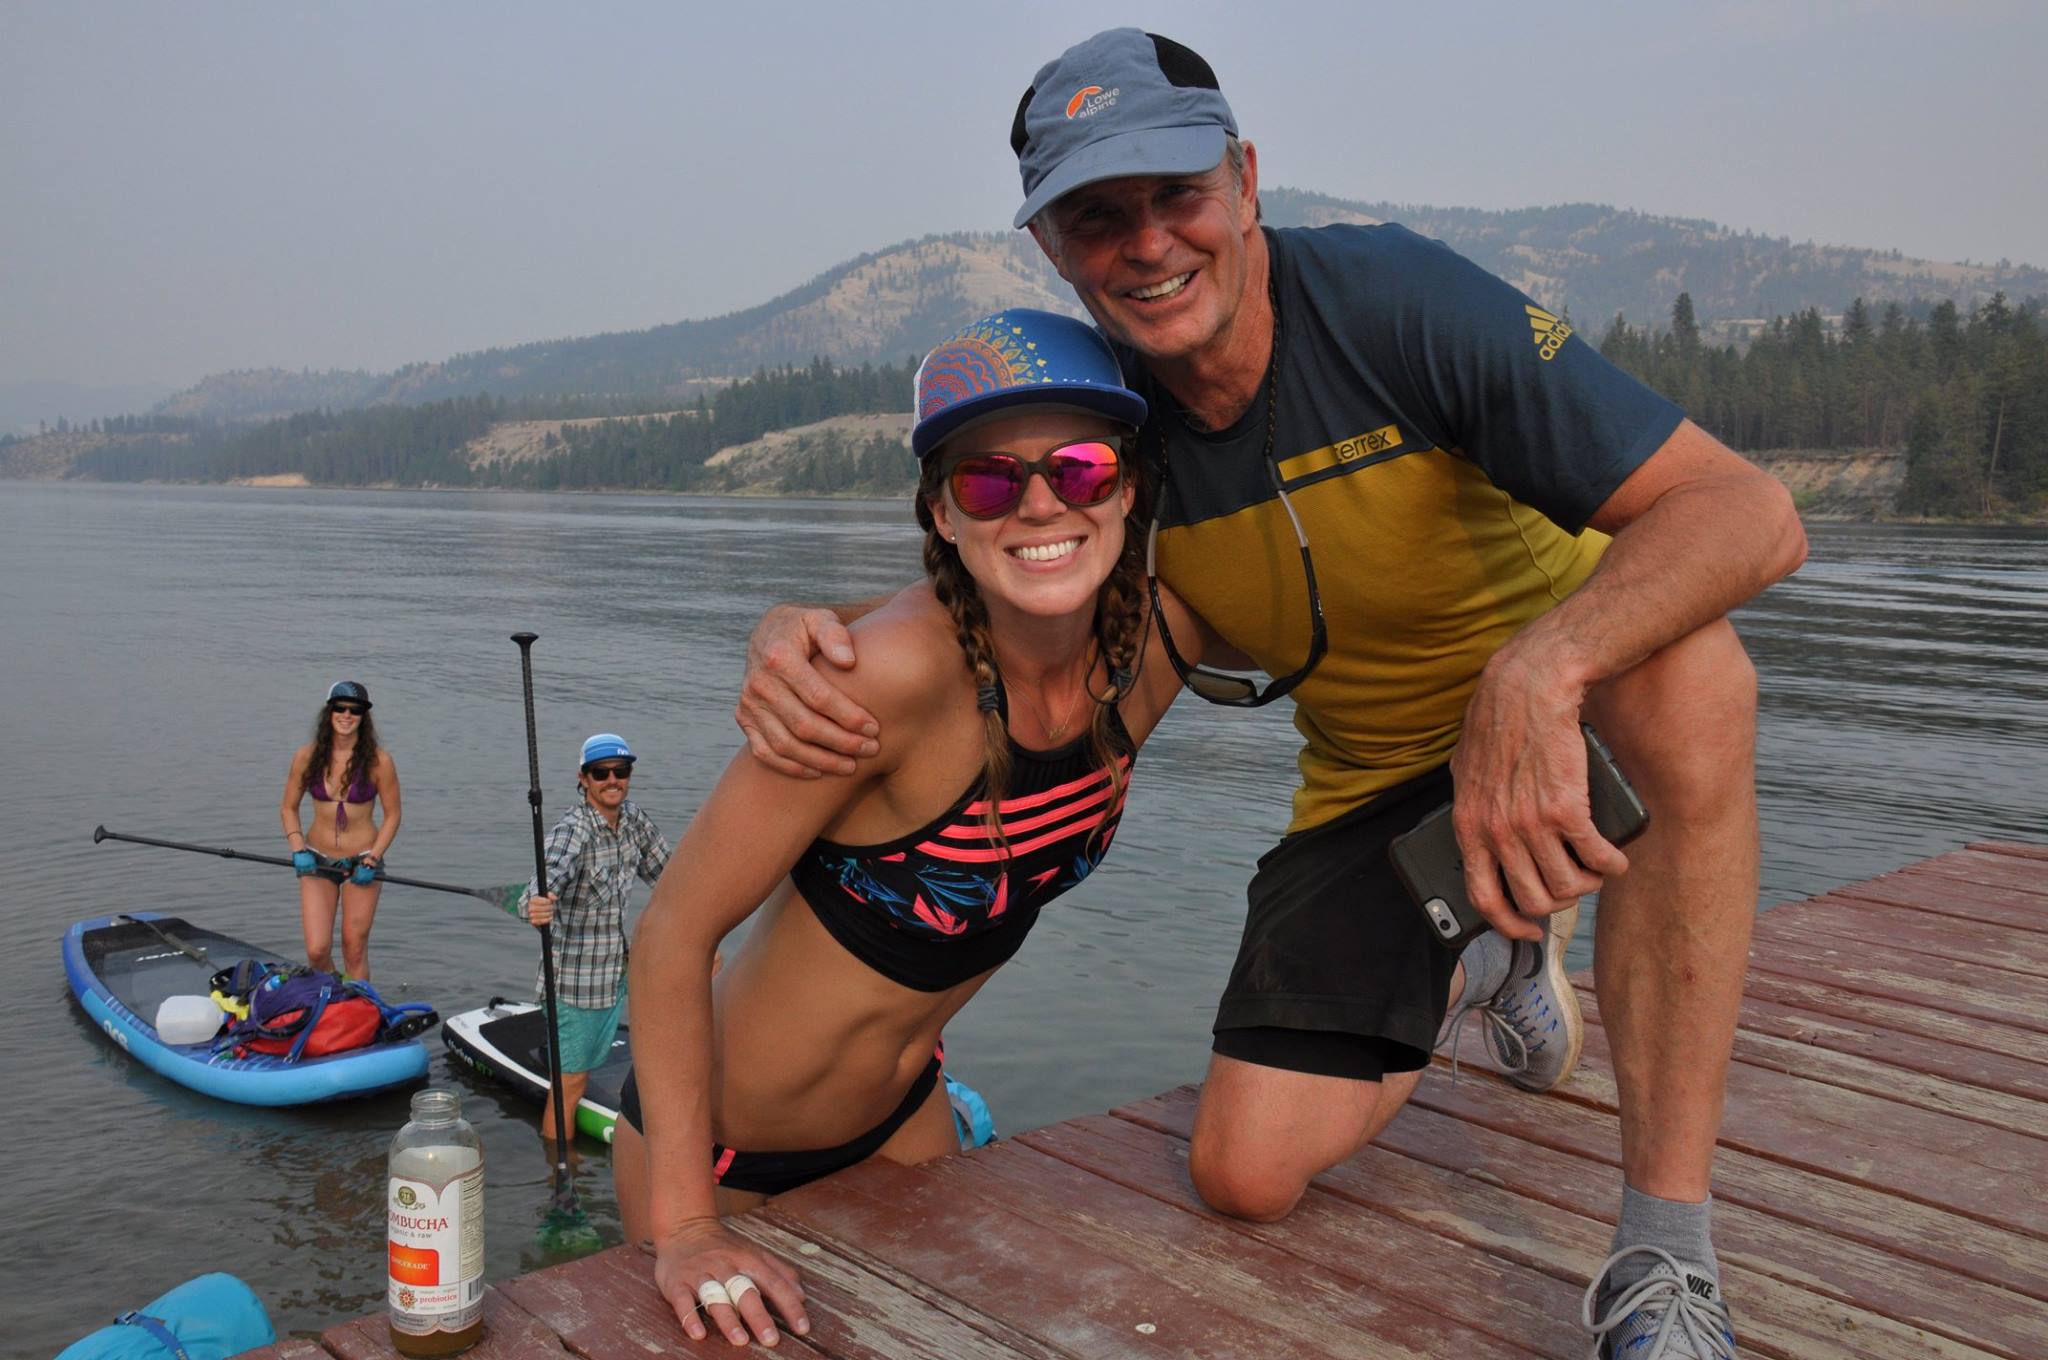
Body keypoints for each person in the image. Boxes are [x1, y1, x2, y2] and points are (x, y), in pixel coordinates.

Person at [736, 30, 1808, 1360]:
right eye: (1095, 216)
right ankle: (1492, 948)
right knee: (1244, 1173)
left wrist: (1542, 667)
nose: (1146, 244)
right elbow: (992, 610)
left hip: (1568, 722)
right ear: (1055, 249)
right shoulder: (1110, 423)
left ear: (1244, 180)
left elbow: (1748, 514)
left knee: (1692, 675)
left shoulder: (1401, 307)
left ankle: (1666, 1260)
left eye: (1175, 194)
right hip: (1375, 785)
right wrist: (804, 629)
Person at [617, 308, 1197, 1350]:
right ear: (941, 511)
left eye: (1077, 468)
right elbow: (671, 932)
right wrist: (687, 1228)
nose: (1036, 504)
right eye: (986, 480)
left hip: (904, 1120)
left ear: (1128, 485)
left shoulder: (1155, 645)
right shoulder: (878, 683)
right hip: (720, 1156)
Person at [514, 732, 672, 1147]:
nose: (612, 780)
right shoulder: (573, 831)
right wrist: (535, 904)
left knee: (578, 1076)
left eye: (620, 771)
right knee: (569, 1087)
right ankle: (559, 1179)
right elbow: (538, 887)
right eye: (601, 773)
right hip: (574, 987)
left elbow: (670, 879)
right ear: (583, 779)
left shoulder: (634, 821)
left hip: (614, 975)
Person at [280, 680, 400, 980]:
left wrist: (373, 858)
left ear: (364, 717)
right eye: (340, 708)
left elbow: (393, 815)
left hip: (363, 862)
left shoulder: (379, 761)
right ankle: (338, 992)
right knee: (317, 950)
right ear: (329, 712)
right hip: (316, 860)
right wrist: (297, 849)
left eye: (355, 710)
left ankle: (363, 1008)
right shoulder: (306, 757)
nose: (347, 715)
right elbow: (288, 808)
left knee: (354, 946)